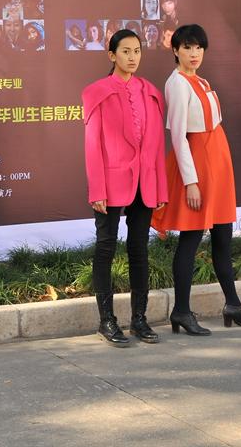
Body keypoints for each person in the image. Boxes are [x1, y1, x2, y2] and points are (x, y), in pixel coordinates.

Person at [153, 24, 241, 336]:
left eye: (198, 47)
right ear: (175, 50)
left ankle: (233, 304)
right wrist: (191, 182)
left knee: (223, 237)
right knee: (191, 237)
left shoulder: (200, 79)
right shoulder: (177, 83)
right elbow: (178, 137)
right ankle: (181, 311)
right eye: (187, 47)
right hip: (197, 167)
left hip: (218, 164)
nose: (194, 53)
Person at [82, 28, 168, 347]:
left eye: (137, 51)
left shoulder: (151, 93)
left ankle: (139, 319)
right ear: (112, 55)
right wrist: (97, 190)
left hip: (145, 183)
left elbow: (157, 145)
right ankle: (106, 320)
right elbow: (93, 145)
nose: (132, 57)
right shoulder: (97, 93)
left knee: (139, 249)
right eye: (125, 51)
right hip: (110, 183)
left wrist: (160, 189)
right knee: (105, 247)